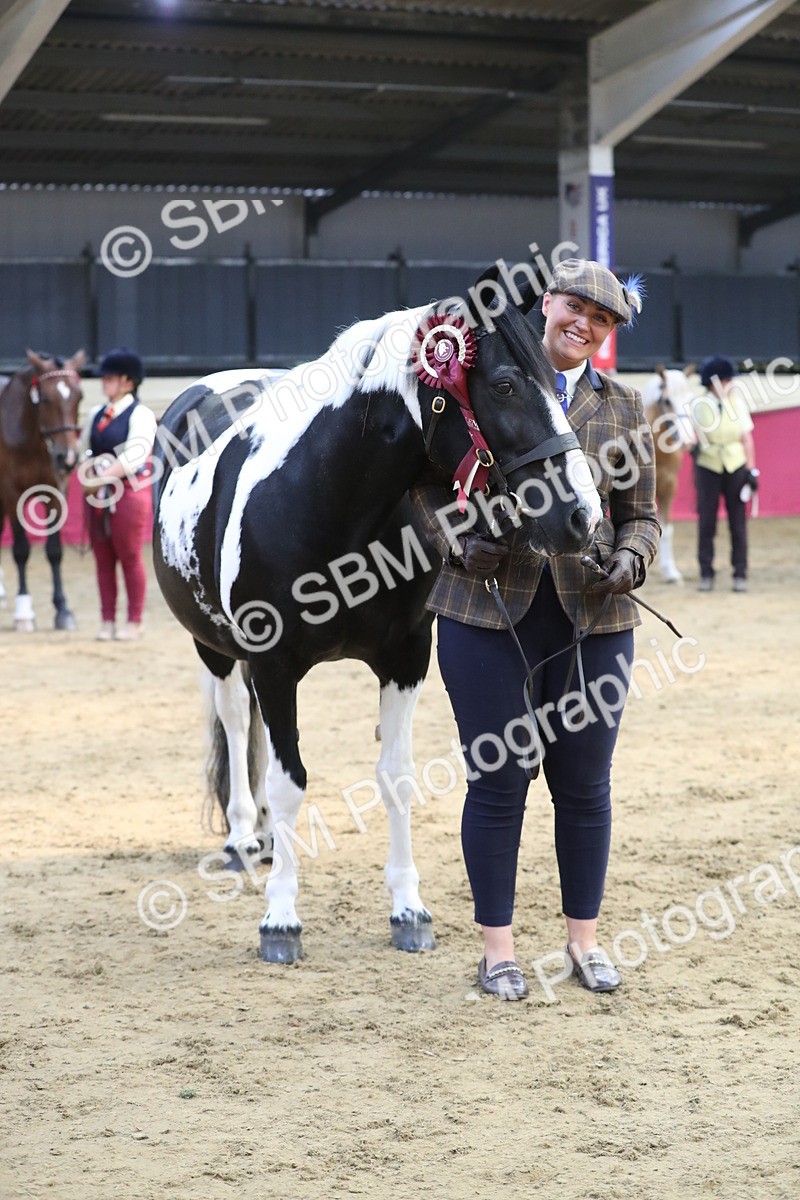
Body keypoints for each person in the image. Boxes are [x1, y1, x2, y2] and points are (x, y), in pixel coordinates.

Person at [410, 260, 660, 1000]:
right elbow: (420, 489)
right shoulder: (474, 383)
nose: (584, 324)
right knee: (498, 782)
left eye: (601, 319)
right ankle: (499, 952)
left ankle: (585, 942)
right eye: (575, 306)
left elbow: (642, 515)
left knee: (584, 786)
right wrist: (457, 539)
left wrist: (633, 558)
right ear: (546, 303)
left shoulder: (624, 407)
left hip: (596, 617)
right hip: (484, 613)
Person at [80, 348, 157, 641]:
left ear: (127, 381)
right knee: (103, 559)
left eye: (110, 378)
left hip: (128, 494)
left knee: (129, 556)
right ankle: (107, 620)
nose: (104, 382)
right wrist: (86, 472)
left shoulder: (141, 414)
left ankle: (134, 620)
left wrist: (100, 478)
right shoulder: (95, 415)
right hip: (97, 495)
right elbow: (85, 450)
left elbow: (134, 457)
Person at [690, 356, 758, 593]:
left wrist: (752, 469)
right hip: (708, 466)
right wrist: (691, 445)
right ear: (714, 383)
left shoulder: (738, 404)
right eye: (727, 380)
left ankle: (740, 572)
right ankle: (706, 573)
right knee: (706, 523)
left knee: (738, 523)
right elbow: (692, 436)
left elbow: (746, 439)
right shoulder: (699, 405)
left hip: (735, 465)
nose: (730, 384)